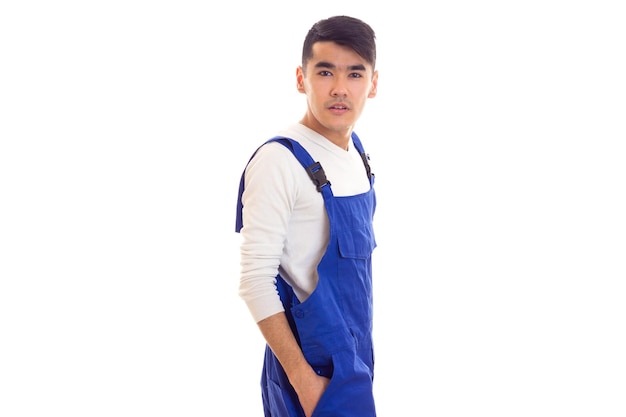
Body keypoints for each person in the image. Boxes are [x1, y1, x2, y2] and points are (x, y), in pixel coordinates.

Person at [235, 15, 379, 417]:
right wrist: (305, 382)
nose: (339, 88)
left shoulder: (358, 156)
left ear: (373, 83)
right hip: (312, 368)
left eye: (354, 73)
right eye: (324, 71)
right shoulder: (279, 161)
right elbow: (254, 281)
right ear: (301, 79)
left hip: (354, 357)